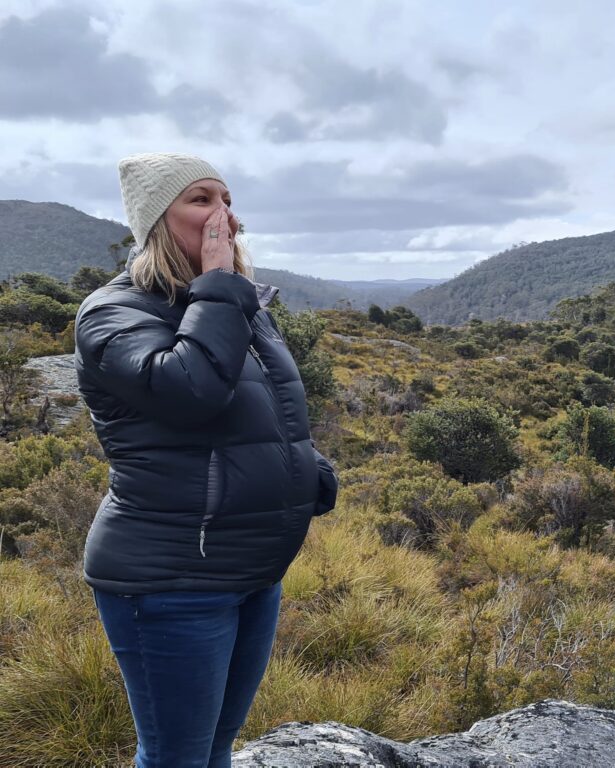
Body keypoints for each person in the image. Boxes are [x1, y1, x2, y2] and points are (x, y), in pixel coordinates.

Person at [74, 152, 339, 768]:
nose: (226, 218)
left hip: (249, 570)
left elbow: (267, 408)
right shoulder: (115, 312)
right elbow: (189, 390)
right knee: (176, 758)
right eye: (201, 200)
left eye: (228, 200)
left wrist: (307, 473)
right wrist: (221, 287)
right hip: (170, 579)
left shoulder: (240, 307)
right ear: (157, 220)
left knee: (214, 749)